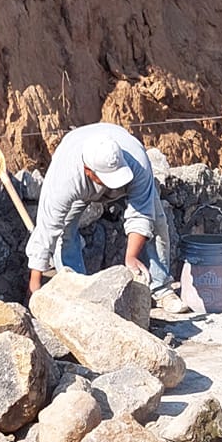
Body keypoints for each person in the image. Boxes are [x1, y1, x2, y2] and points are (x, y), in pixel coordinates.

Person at [25, 122, 185, 314]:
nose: (112, 184)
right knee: (64, 232)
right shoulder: (65, 178)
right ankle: (76, 292)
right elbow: (47, 228)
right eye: (107, 178)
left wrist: (131, 256)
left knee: (157, 224)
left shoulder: (137, 162)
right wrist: (35, 284)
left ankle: (161, 289)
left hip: (128, 172)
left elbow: (141, 212)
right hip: (77, 176)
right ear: (88, 171)